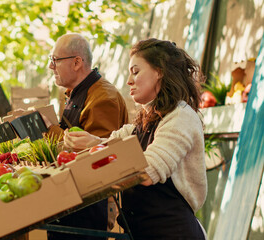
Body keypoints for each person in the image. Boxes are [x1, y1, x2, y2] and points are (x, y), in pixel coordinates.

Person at [64, 38, 208, 239]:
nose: (129, 81)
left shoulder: (180, 117)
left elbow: (148, 171)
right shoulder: (143, 123)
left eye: (136, 71)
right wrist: (92, 143)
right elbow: (115, 143)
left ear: (159, 72)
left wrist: (98, 148)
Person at [46, 33, 129, 240]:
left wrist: (48, 128)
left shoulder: (103, 98)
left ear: (76, 62)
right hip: (70, 202)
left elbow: (97, 163)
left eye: (55, 60)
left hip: (86, 211)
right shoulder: (78, 92)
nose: (50, 67)